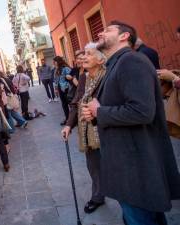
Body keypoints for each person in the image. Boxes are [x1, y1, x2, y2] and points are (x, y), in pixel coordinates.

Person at [82, 20, 180, 225]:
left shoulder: (131, 61)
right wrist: (95, 113)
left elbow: (142, 111)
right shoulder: (117, 63)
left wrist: (100, 111)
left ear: (124, 36)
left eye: (108, 30)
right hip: (131, 163)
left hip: (135, 166)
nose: (100, 32)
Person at [62, 42, 106, 214]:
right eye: (83, 55)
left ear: (101, 60)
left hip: (107, 128)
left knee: (115, 165)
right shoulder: (83, 77)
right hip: (87, 130)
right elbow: (76, 102)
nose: (82, 59)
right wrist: (68, 125)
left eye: (88, 54)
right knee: (93, 165)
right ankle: (98, 196)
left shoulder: (108, 76)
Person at [53, 56, 72, 125]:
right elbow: (55, 80)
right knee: (64, 104)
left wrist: (67, 83)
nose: (53, 63)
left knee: (70, 103)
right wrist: (56, 89)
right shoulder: (56, 70)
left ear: (58, 62)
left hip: (66, 88)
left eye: (54, 62)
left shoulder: (65, 68)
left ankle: (74, 118)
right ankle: (67, 118)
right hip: (60, 89)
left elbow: (71, 76)